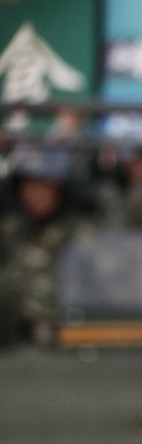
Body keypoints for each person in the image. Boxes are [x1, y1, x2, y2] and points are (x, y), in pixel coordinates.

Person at [0, 145, 82, 348]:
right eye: (30, 185)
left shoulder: (78, 234)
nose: (36, 194)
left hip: (60, 338)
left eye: (44, 185)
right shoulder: (9, 230)